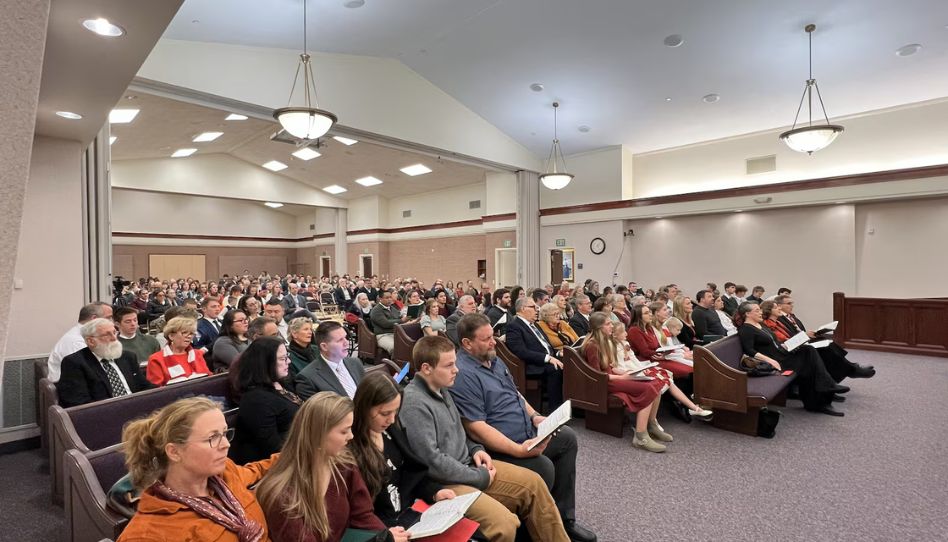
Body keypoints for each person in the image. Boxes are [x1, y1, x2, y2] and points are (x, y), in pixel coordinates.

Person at [400, 336, 570, 542]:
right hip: (445, 482)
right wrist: (478, 476)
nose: (457, 370)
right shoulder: (415, 403)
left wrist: (476, 449)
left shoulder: (442, 388)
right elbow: (433, 463)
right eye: (449, 365)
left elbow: (460, 431)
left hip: (468, 465)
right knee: (504, 524)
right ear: (426, 368)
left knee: (534, 484)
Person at [451, 314, 598, 542]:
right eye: (486, 339)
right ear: (467, 344)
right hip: (501, 447)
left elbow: (515, 394)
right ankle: (535, 528)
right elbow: (476, 427)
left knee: (567, 438)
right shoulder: (463, 374)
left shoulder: (493, 359)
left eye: (493, 336)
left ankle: (563, 519)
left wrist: (536, 416)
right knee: (542, 466)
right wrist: (518, 450)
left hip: (525, 432)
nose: (494, 342)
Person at [117, 397, 274, 542]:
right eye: (212, 438)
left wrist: (295, 451)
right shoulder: (147, 534)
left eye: (225, 433)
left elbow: (258, 469)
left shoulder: (226, 474)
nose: (226, 444)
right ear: (174, 452)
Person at [256, 392, 407, 542]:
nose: (351, 436)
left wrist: (385, 535)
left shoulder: (343, 464)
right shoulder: (284, 498)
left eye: (351, 429)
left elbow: (362, 515)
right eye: (344, 431)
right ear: (318, 435)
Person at [350, 371, 463, 530]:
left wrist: (434, 492)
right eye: (385, 413)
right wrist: (385, 535)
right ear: (364, 407)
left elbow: (410, 471)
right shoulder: (350, 446)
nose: (392, 419)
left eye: (396, 411)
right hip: (382, 527)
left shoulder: (390, 431)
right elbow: (356, 513)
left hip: (409, 514)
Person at [735, 302, 846, 416]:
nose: (761, 312)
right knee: (808, 361)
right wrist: (770, 361)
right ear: (747, 314)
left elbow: (774, 341)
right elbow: (749, 350)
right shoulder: (746, 329)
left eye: (760, 309)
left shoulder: (760, 324)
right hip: (777, 360)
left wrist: (788, 344)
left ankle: (820, 397)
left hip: (782, 353)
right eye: (757, 310)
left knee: (808, 352)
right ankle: (822, 394)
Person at [580, 312, 668, 452]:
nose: (611, 326)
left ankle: (651, 424)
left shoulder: (604, 342)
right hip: (604, 383)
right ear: (599, 327)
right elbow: (597, 375)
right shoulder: (593, 346)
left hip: (612, 378)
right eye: (608, 324)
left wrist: (626, 373)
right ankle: (641, 436)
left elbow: (610, 367)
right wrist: (622, 377)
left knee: (655, 383)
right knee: (648, 388)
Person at [613, 319, 710, 421]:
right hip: (628, 372)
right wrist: (635, 371)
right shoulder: (614, 347)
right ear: (615, 335)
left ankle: (693, 407)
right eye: (623, 332)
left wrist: (641, 368)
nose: (626, 333)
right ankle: (653, 420)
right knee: (658, 380)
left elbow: (634, 359)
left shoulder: (624, 343)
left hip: (637, 368)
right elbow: (619, 366)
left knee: (667, 379)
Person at [229, 337, 301, 464]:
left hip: (297, 450)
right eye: (282, 358)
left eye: (287, 356)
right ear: (265, 363)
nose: (288, 361)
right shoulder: (256, 400)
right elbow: (273, 448)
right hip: (274, 467)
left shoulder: (281, 383)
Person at [56, 318, 154, 408]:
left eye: (114, 332)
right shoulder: (74, 363)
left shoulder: (127, 357)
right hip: (103, 415)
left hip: (136, 408)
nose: (114, 338)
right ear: (90, 341)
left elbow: (144, 386)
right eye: (107, 334)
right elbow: (78, 403)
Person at [774, 295, 875, 380]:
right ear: (779, 305)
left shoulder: (791, 316)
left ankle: (846, 372)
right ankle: (852, 370)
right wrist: (805, 335)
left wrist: (813, 333)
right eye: (789, 303)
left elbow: (799, 331)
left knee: (828, 343)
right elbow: (788, 336)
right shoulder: (779, 319)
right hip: (797, 348)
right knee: (827, 352)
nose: (792, 306)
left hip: (804, 342)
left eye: (792, 303)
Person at [504, 297, 565, 410]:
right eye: (533, 307)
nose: (537, 310)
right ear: (522, 309)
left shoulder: (534, 325)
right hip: (530, 365)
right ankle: (555, 410)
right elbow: (520, 351)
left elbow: (545, 346)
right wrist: (547, 358)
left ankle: (575, 406)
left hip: (543, 360)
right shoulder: (514, 326)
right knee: (555, 368)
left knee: (569, 363)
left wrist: (557, 354)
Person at [295, 321, 364, 400]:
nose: (346, 342)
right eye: (340, 340)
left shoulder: (355, 363)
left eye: (346, 337)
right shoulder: (307, 378)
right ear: (324, 346)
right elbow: (322, 411)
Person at [48, 302, 113, 383]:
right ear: (94, 319)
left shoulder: (86, 335)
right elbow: (94, 372)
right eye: (109, 318)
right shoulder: (76, 341)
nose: (112, 322)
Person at [629, 304, 693, 378]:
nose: (650, 314)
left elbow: (658, 346)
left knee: (690, 368)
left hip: (658, 357)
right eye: (646, 313)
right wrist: (662, 355)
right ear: (638, 316)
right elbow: (645, 352)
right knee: (685, 370)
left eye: (649, 312)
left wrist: (665, 353)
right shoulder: (634, 330)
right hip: (648, 361)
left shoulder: (648, 328)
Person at [146, 317, 211, 386]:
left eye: (191, 333)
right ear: (171, 336)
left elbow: (209, 377)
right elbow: (156, 389)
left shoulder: (196, 353)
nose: (189, 336)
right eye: (184, 333)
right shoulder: (156, 359)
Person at [370, 289, 405, 355]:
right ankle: (394, 364)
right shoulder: (376, 310)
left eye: (390, 297)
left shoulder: (391, 307)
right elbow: (386, 324)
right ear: (380, 299)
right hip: (382, 335)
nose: (389, 299)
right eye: (387, 298)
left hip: (395, 333)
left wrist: (406, 319)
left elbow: (399, 316)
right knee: (395, 347)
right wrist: (402, 320)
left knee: (407, 345)